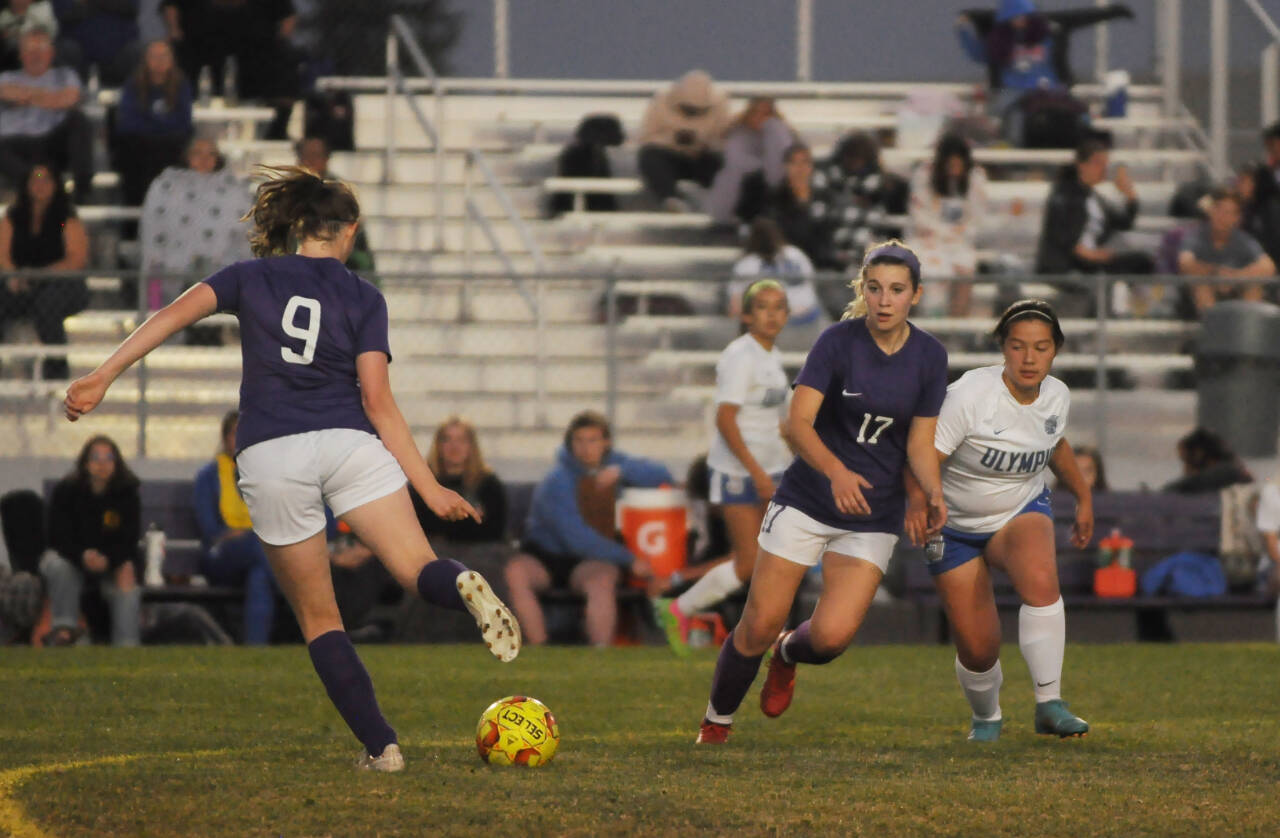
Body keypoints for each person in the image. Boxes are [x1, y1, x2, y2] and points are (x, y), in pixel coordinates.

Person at [64, 165, 521, 773]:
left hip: (272, 451)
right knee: (419, 569)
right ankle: (459, 582)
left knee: (318, 616)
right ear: (349, 231)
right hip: (347, 442)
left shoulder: (249, 277)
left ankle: (382, 748)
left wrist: (103, 375)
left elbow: (171, 316)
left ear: (298, 225)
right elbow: (379, 403)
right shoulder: (364, 296)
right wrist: (430, 486)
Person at [696, 240, 948, 745]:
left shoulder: (930, 356)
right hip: (809, 498)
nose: (883, 299)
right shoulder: (836, 341)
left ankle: (788, 654)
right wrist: (835, 471)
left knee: (831, 639)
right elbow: (798, 423)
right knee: (759, 622)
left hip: (873, 514)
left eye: (896, 290)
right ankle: (715, 725)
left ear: (914, 295)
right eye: (874, 288)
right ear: (863, 290)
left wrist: (932, 494)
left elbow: (920, 442)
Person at [922, 299, 1093, 741]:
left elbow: (1054, 443)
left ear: (1055, 350)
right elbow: (922, 457)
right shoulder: (969, 396)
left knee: (1040, 577)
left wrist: (1083, 495)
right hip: (953, 526)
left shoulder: (1058, 394)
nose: (1030, 358)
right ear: (1003, 347)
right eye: (1018, 347)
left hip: (1019, 509)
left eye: (1041, 347)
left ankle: (1049, 703)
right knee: (979, 648)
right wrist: (919, 503)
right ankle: (986, 716)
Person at [658, 279, 791, 655]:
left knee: (776, 556)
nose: (771, 314)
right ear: (746, 314)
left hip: (771, 468)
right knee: (750, 562)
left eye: (779, 306)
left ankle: (764, 632)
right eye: (762, 307)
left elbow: (777, 421)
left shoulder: (771, 357)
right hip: (738, 472)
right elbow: (726, 419)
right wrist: (758, 473)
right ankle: (678, 608)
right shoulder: (741, 355)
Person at [505, 410, 673, 647]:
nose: (586, 448)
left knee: (602, 580)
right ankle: (539, 647)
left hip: (590, 560)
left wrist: (623, 472)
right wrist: (627, 559)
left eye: (593, 440)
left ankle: (599, 655)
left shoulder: (616, 464)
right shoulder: (557, 481)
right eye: (579, 441)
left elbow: (661, 474)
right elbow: (574, 537)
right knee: (516, 572)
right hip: (547, 554)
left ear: (606, 442)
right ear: (570, 443)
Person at [42, 434, 141, 646]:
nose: (102, 464)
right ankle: (64, 631)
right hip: (71, 559)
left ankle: (128, 648)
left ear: (117, 463)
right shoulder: (66, 491)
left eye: (109, 458)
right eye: (96, 458)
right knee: (60, 566)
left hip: (109, 564)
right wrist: (82, 556)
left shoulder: (127, 494)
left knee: (127, 572)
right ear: (85, 463)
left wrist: (110, 561)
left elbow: (129, 541)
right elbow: (57, 538)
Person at [1035, 136, 1153, 312]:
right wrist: (1089, 254)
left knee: (1142, 261)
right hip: (1068, 263)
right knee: (1097, 283)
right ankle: (1119, 314)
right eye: (1098, 163)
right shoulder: (1063, 194)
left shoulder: (1095, 198)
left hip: (1090, 261)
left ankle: (1139, 310)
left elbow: (1123, 223)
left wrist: (1130, 195)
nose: (1103, 169)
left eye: (1105, 163)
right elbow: (1061, 234)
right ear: (1081, 165)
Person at [192, 410, 277, 645]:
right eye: (234, 433)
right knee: (261, 547)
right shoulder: (208, 477)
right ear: (225, 438)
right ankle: (302, 595)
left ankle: (255, 651)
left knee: (259, 577)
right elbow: (211, 532)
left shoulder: (267, 474)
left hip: (260, 557)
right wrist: (246, 536)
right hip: (220, 557)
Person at [139, 137, 251, 308]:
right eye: (197, 153)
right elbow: (153, 229)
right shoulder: (165, 186)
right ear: (187, 156)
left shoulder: (234, 189)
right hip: (172, 269)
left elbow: (242, 233)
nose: (204, 160)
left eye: (211, 154)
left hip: (218, 271)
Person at [0, 161, 88, 379]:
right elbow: (3, 253)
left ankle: (56, 368)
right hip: (21, 283)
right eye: (35, 179)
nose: (40, 185)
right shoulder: (14, 217)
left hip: (61, 284)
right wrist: (14, 275)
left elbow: (76, 258)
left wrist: (42, 275)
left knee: (48, 302)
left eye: (46, 179)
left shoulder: (64, 218)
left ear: (56, 184)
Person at [0, 27, 91, 198]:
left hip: (52, 143)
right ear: (21, 55)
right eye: (31, 51)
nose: (36, 56)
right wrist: (51, 97)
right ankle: (34, 184)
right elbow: (5, 92)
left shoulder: (65, 75)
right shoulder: (6, 77)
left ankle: (82, 190)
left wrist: (26, 96)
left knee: (79, 120)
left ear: (51, 53)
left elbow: (70, 99)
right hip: (15, 145)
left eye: (41, 50)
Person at [908, 133, 988, 317]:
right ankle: (927, 323)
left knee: (965, 267)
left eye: (958, 166)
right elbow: (919, 216)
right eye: (950, 166)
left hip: (960, 240)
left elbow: (977, 218)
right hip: (927, 239)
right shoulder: (924, 175)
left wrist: (957, 234)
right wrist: (943, 233)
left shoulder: (976, 178)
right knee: (930, 270)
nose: (954, 171)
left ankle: (957, 325)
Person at [636, 69, 730, 212]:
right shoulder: (661, 101)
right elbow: (647, 137)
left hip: (701, 158)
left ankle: (726, 204)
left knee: (721, 162)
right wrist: (673, 140)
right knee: (649, 157)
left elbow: (723, 139)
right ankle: (671, 200)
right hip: (669, 157)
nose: (692, 113)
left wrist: (701, 143)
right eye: (688, 109)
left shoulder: (720, 105)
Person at [113, 39, 192, 207]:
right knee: (135, 153)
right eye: (154, 56)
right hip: (139, 149)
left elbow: (184, 123)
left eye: (164, 56)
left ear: (172, 60)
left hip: (169, 148)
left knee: (169, 149)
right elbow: (127, 124)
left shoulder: (181, 85)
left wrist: (149, 121)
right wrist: (162, 124)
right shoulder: (132, 85)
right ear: (145, 60)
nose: (159, 61)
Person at [727, 217, 825, 348]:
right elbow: (813, 289)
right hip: (810, 323)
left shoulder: (748, 263)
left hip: (775, 331)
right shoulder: (797, 254)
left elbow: (735, 308)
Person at [1177, 188, 1276, 317]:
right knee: (1201, 286)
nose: (1223, 217)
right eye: (1220, 210)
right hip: (1202, 292)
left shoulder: (1244, 240)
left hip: (1235, 289)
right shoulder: (1194, 236)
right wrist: (1216, 274)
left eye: (1230, 213)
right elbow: (1185, 263)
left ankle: (1244, 330)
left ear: (1237, 218)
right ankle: (1214, 330)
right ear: (1211, 211)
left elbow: (1268, 267)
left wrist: (1235, 276)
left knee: (1253, 286)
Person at [706, 97, 794, 224]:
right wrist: (764, 168)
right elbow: (737, 162)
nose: (760, 118)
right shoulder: (738, 134)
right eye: (755, 113)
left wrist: (774, 129)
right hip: (745, 190)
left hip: (777, 190)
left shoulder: (779, 133)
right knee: (732, 177)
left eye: (766, 114)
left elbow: (783, 163)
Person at [295, 135, 375, 275]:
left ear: (326, 159)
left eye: (315, 156)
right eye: (305, 156)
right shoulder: (286, 196)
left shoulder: (341, 196)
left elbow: (360, 254)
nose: (309, 162)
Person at [51, 0, 140, 86]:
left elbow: (132, 7)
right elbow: (64, 11)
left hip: (120, 52)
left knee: (137, 51)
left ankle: (130, 98)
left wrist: (88, 3)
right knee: (64, 49)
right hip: (78, 52)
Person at [1162, 427, 1252, 495]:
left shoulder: (1225, 472)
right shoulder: (1232, 471)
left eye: (1186, 460)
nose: (1185, 467)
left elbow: (1191, 484)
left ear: (1199, 453)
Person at [1244, 121, 1280, 271]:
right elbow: (1252, 205)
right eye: (1269, 146)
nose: (1270, 150)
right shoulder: (1262, 175)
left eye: (1273, 144)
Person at [0, 0, 57, 70]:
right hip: (15, 52)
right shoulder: (4, 16)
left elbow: (48, 32)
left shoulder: (41, 8)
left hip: (44, 44)